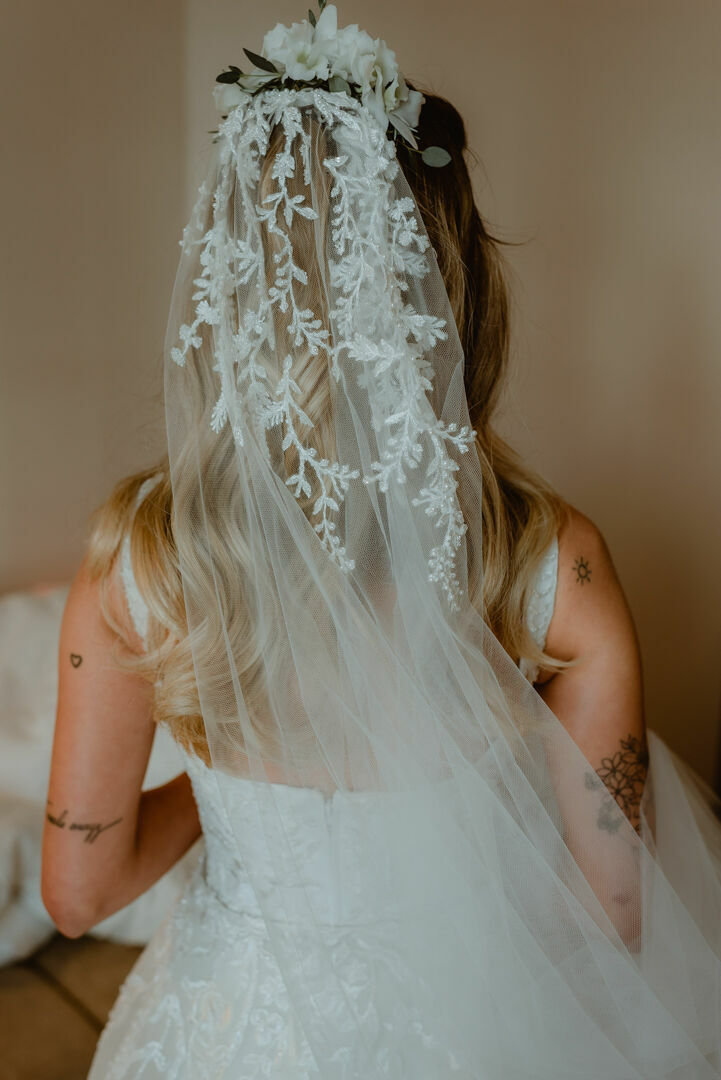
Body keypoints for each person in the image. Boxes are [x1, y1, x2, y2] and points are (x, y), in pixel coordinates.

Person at [42, 6, 721, 1077]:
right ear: (449, 295)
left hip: (233, 1038)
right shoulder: (555, 564)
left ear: (233, 296)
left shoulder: (138, 562)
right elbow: (613, 913)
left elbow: (79, 896)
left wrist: (228, 797)